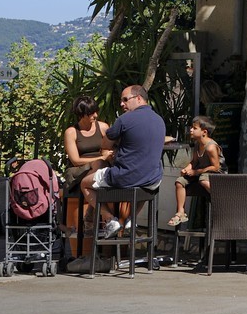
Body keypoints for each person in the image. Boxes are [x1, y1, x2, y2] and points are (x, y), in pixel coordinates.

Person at [79, 84, 167, 240]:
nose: (122, 104)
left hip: (125, 177)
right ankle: (130, 220)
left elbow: (105, 145)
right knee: (147, 187)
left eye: (125, 100)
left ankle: (110, 220)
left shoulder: (124, 119)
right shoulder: (159, 120)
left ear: (138, 98)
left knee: (85, 184)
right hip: (151, 180)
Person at [167, 116, 223, 227]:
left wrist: (196, 172)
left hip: (214, 173)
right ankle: (181, 212)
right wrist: (187, 168)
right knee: (180, 182)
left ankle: (222, 200)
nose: (191, 130)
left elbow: (216, 167)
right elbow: (194, 161)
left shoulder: (211, 147)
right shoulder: (198, 144)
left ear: (204, 132)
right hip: (200, 172)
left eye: (194, 128)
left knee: (203, 180)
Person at [62, 96, 111, 195]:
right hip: (80, 169)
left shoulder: (103, 127)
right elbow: (76, 161)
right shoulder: (71, 132)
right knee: (99, 164)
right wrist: (100, 158)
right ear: (82, 115)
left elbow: (108, 148)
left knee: (103, 166)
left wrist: (105, 155)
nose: (95, 115)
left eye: (96, 111)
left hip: (101, 166)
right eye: (91, 114)